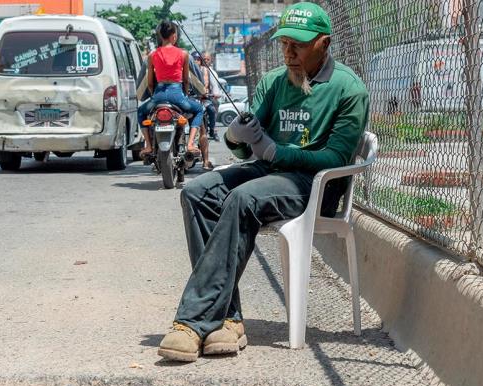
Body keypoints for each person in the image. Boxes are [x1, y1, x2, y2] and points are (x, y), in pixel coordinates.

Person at [156, 2, 369, 362]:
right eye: (285, 44)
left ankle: (192, 321)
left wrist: (275, 152)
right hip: (270, 174)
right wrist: (237, 138)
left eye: (298, 45)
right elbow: (243, 152)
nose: (289, 53)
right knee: (196, 192)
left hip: (313, 186)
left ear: (325, 43)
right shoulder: (274, 83)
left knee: (243, 198)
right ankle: (227, 318)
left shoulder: (349, 90)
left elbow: (335, 159)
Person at [138, 21, 204, 157]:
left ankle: (149, 146)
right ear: (174, 36)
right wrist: (184, 95)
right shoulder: (183, 54)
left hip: (158, 96)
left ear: (160, 36)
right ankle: (190, 144)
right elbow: (186, 80)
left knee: (140, 112)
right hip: (177, 94)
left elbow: (150, 83)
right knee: (199, 110)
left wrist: (153, 96)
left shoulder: (152, 55)